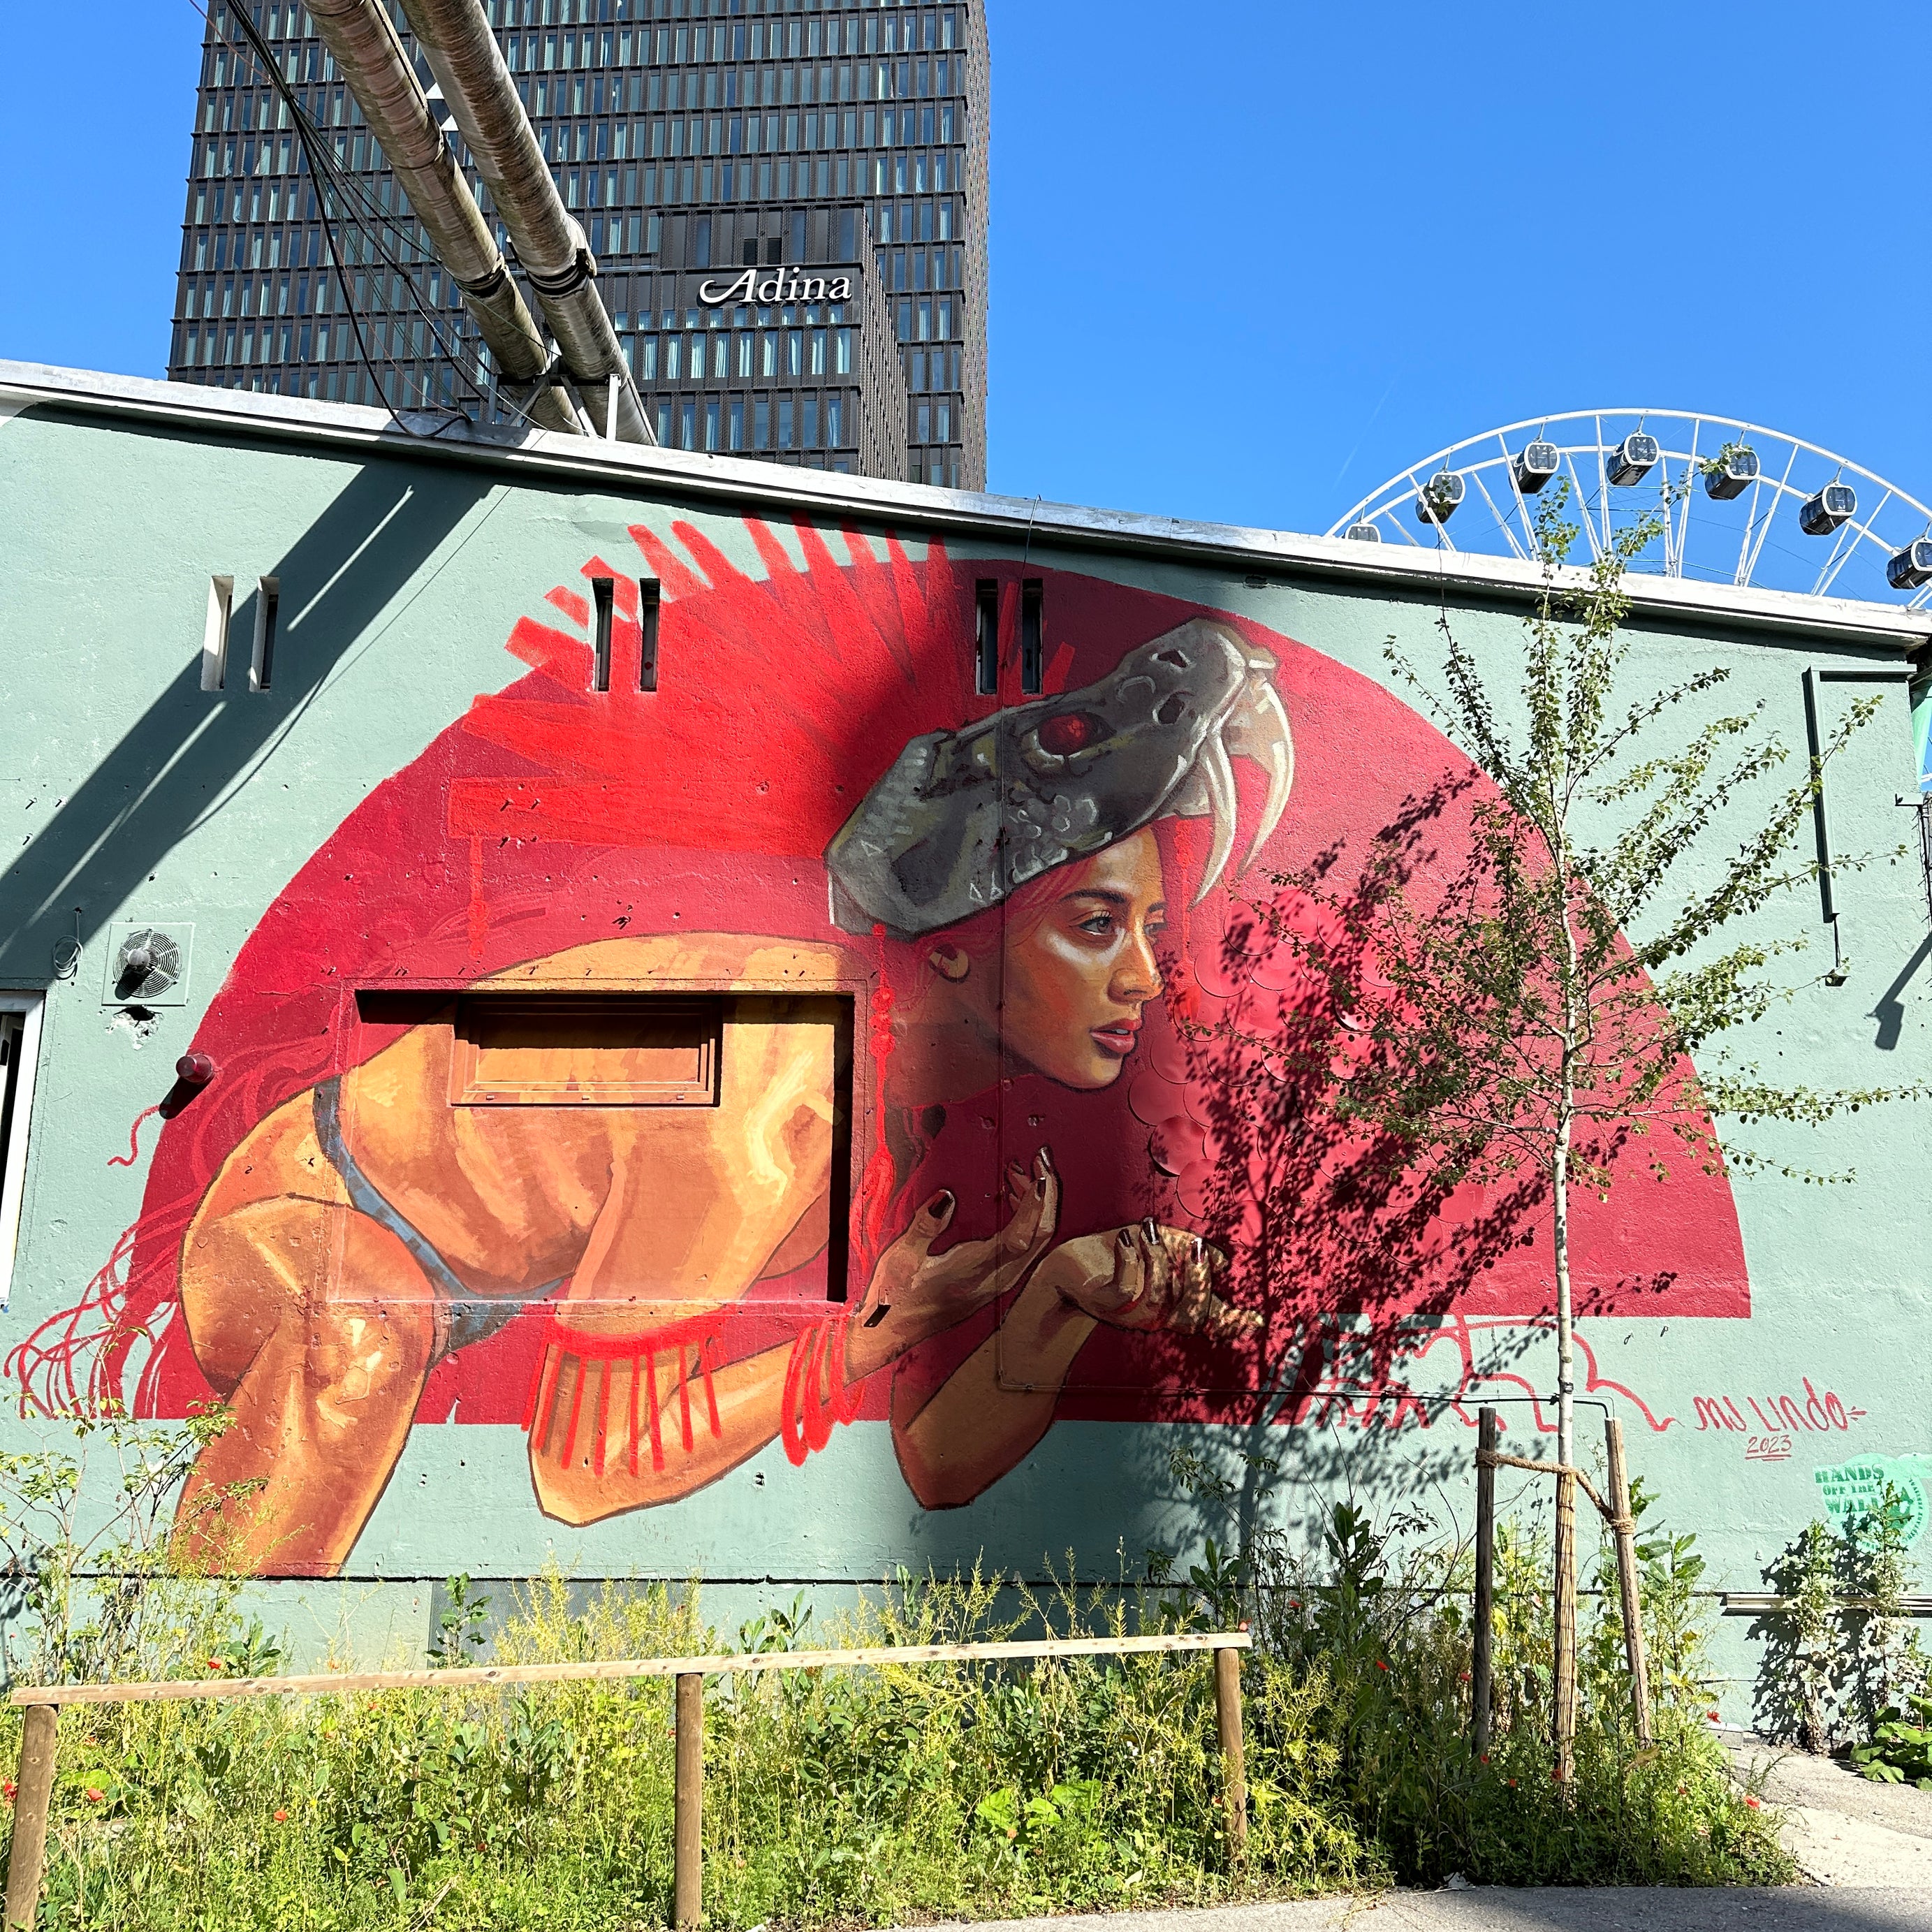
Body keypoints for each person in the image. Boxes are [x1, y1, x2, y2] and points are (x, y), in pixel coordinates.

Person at [170, 617, 1290, 1574]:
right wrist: (855, 1344)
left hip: (453, 1287)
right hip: (305, 1230)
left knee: (387, 1322)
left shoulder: (905, 1105)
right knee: (365, 1323)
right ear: (953, 949)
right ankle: (165, 1737)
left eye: (1149, 925)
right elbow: (582, 1469)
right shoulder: (766, 1097)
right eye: (1096, 925)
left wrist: (1055, 1300)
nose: (1146, 974)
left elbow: (933, 1465)